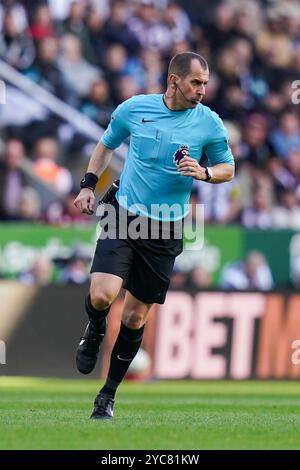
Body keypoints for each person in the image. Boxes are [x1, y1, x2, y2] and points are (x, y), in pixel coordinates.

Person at [74, 51, 235, 419]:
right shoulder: (135, 108)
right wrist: (87, 185)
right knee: (102, 294)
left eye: (206, 84)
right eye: (196, 82)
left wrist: (206, 173)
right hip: (125, 214)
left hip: (166, 227)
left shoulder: (209, 123)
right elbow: (106, 143)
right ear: (174, 80)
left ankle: (108, 395)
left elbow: (229, 166)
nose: (202, 90)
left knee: (134, 318)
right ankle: (95, 328)